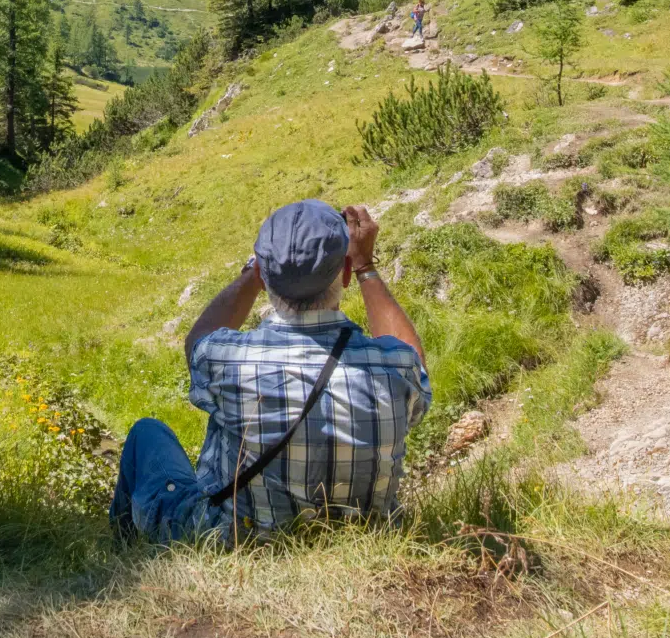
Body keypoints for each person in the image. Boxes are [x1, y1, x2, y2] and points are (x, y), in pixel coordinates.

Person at [109, 200, 430, 543]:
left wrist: (251, 273)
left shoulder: (225, 360)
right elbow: (411, 356)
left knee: (148, 434)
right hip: (364, 539)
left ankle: (125, 551)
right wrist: (365, 263)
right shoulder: (396, 368)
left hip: (237, 539)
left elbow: (197, 341)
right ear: (346, 273)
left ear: (263, 275)